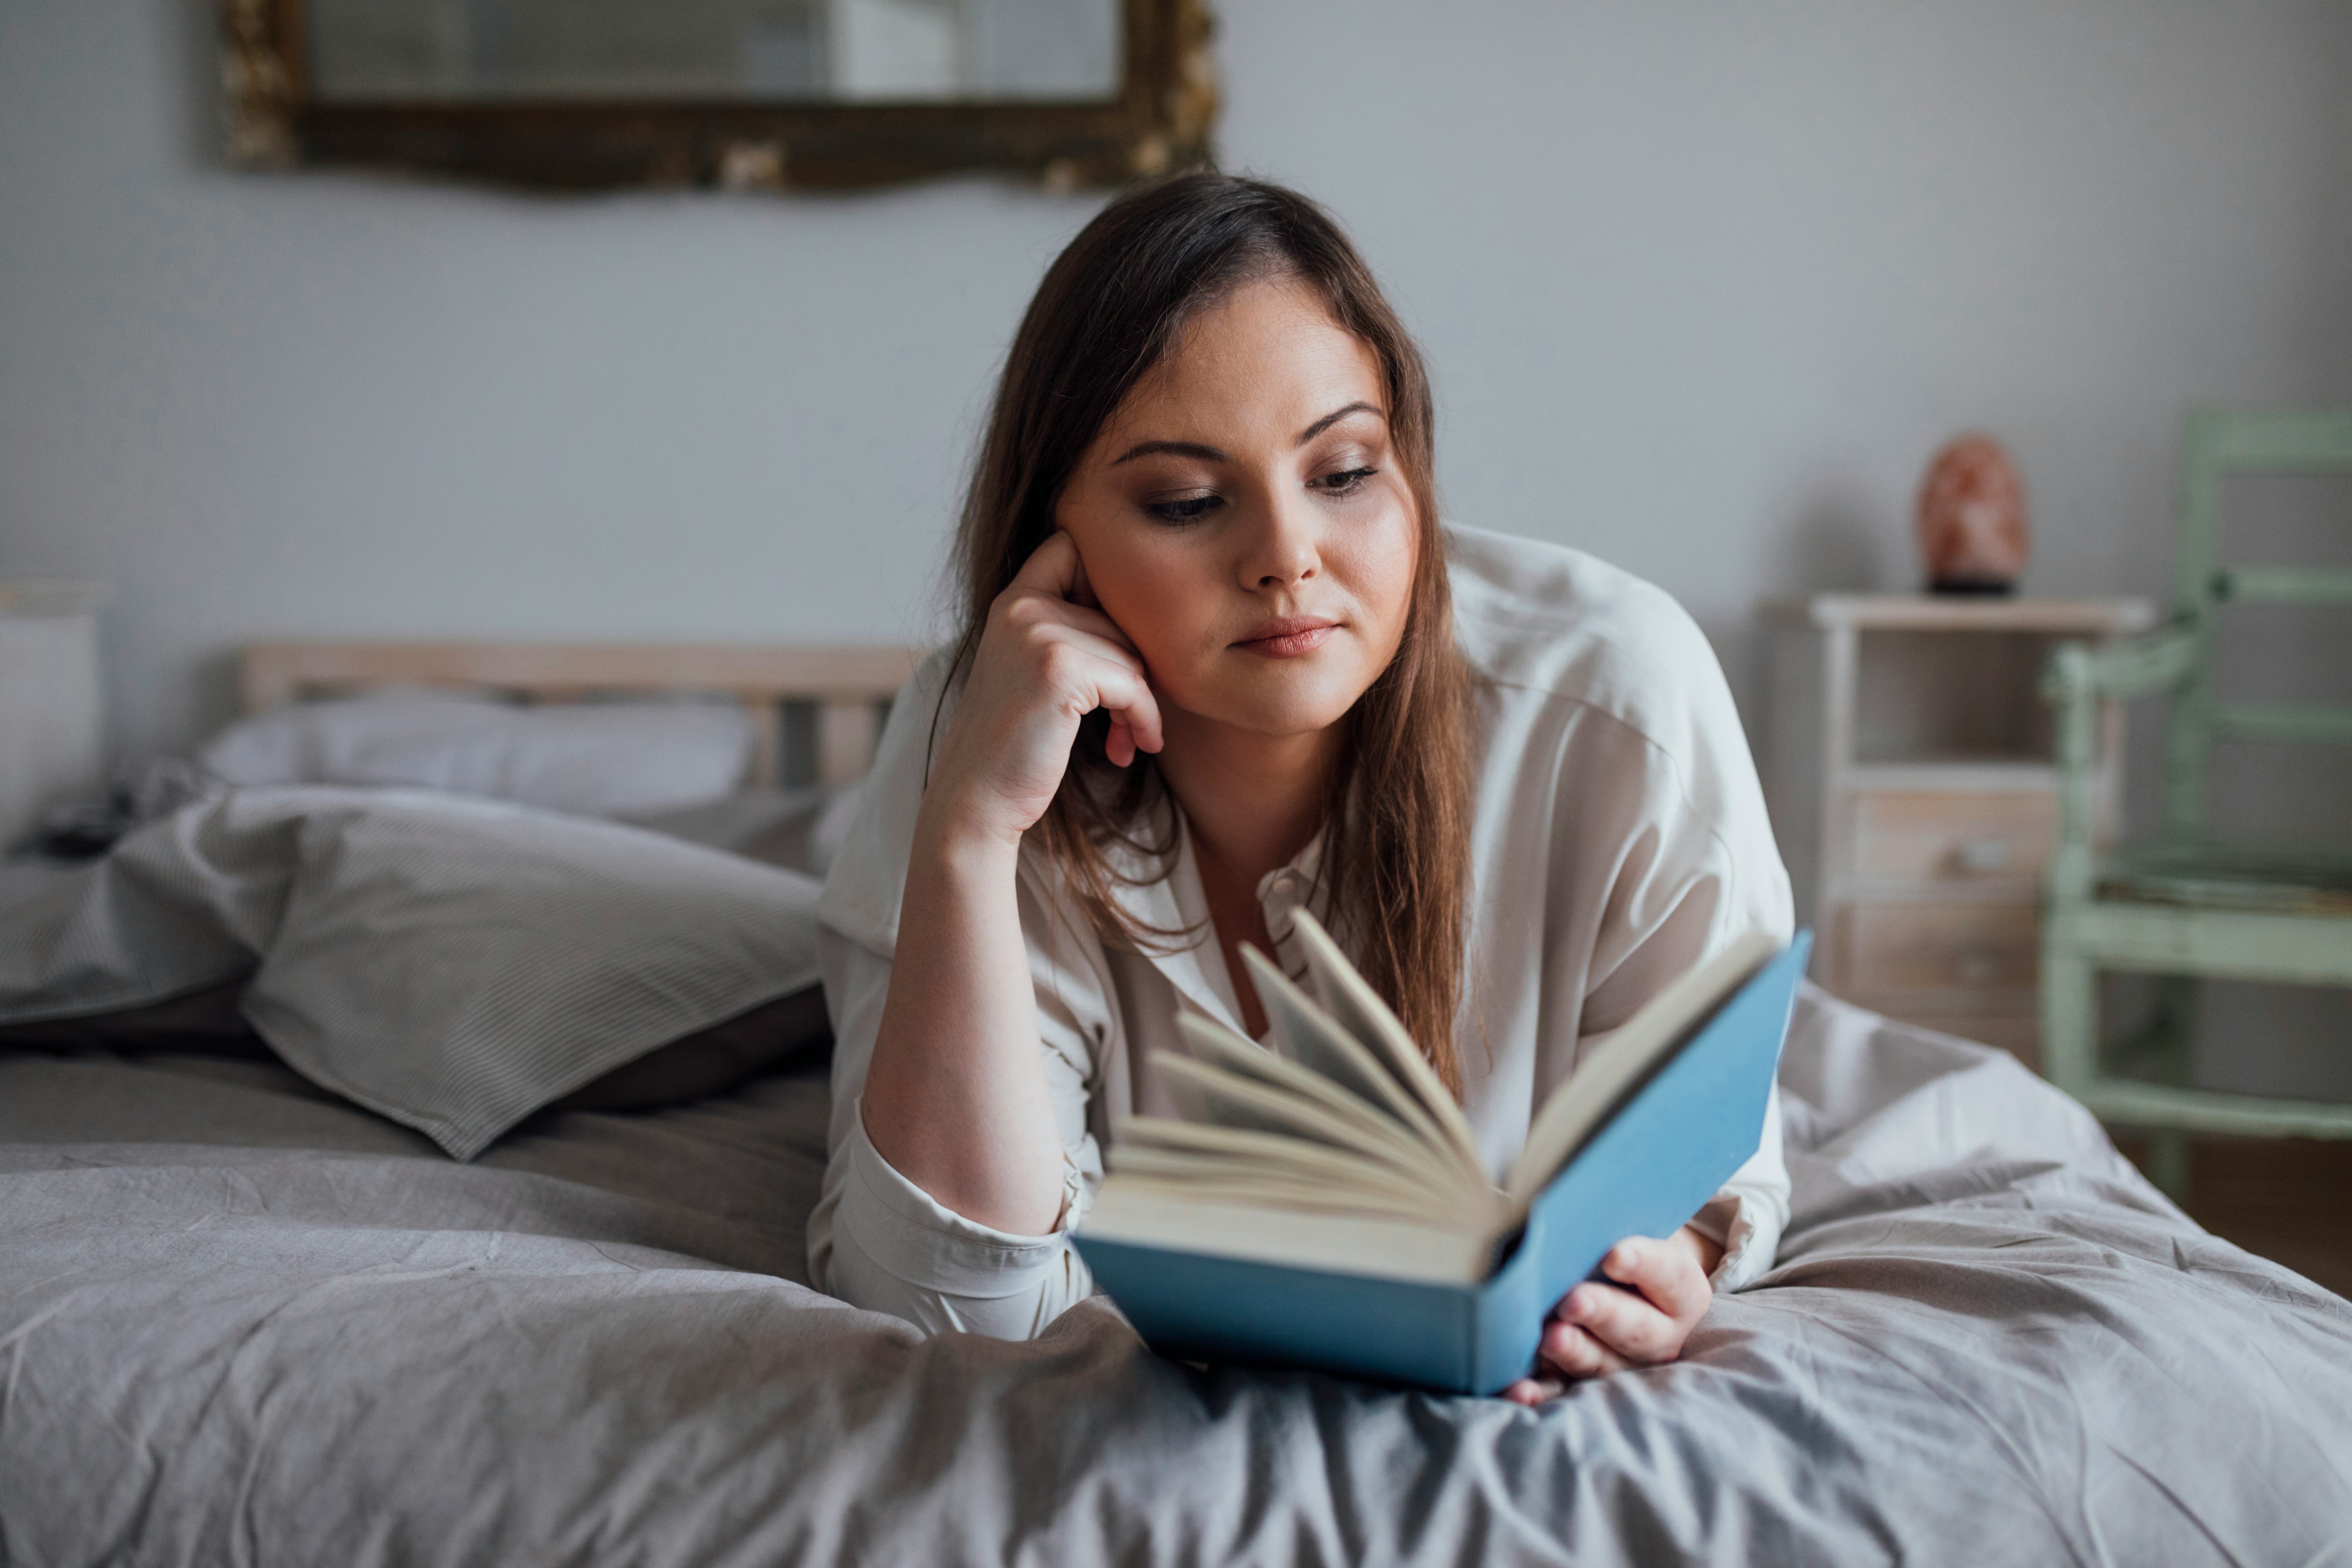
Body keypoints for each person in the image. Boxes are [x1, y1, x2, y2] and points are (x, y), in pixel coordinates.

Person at [809, 172, 1792, 1403]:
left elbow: (1713, 1163)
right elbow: (944, 1302)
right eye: (1185, 501)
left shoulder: (1620, 707)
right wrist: (967, 838)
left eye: (1343, 473)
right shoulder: (978, 740)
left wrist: (1668, 1266)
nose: (1285, 556)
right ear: (1052, 550)